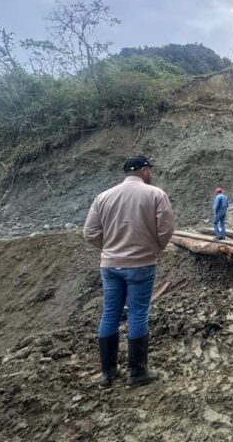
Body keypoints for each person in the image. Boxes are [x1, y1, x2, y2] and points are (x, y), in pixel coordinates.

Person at [83, 155, 175, 389]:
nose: (151, 172)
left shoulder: (103, 197)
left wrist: (110, 249)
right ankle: (137, 372)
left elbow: (91, 233)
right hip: (142, 265)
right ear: (144, 171)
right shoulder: (156, 194)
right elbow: (166, 229)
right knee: (138, 314)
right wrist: (156, 248)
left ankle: (107, 374)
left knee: (110, 314)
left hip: (110, 265)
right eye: (149, 169)